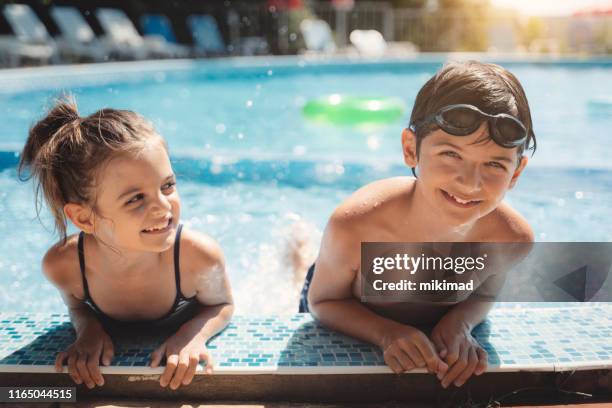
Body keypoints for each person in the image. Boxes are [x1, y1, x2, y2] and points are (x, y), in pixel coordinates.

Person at [299, 61, 536, 388]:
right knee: (309, 273)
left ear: (517, 173)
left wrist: (459, 324)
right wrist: (386, 333)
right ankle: (299, 252)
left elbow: (483, 295)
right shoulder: (357, 225)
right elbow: (323, 302)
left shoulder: (511, 240)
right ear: (411, 149)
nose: (470, 182)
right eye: (451, 154)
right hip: (343, 300)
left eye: (495, 164)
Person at [19, 97, 233, 390]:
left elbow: (222, 304)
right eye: (135, 199)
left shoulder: (195, 256)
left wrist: (192, 335)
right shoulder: (65, 266)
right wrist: (88, 330)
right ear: (84, 218)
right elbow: (78, 308)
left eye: (167, 186)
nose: (163, 207)